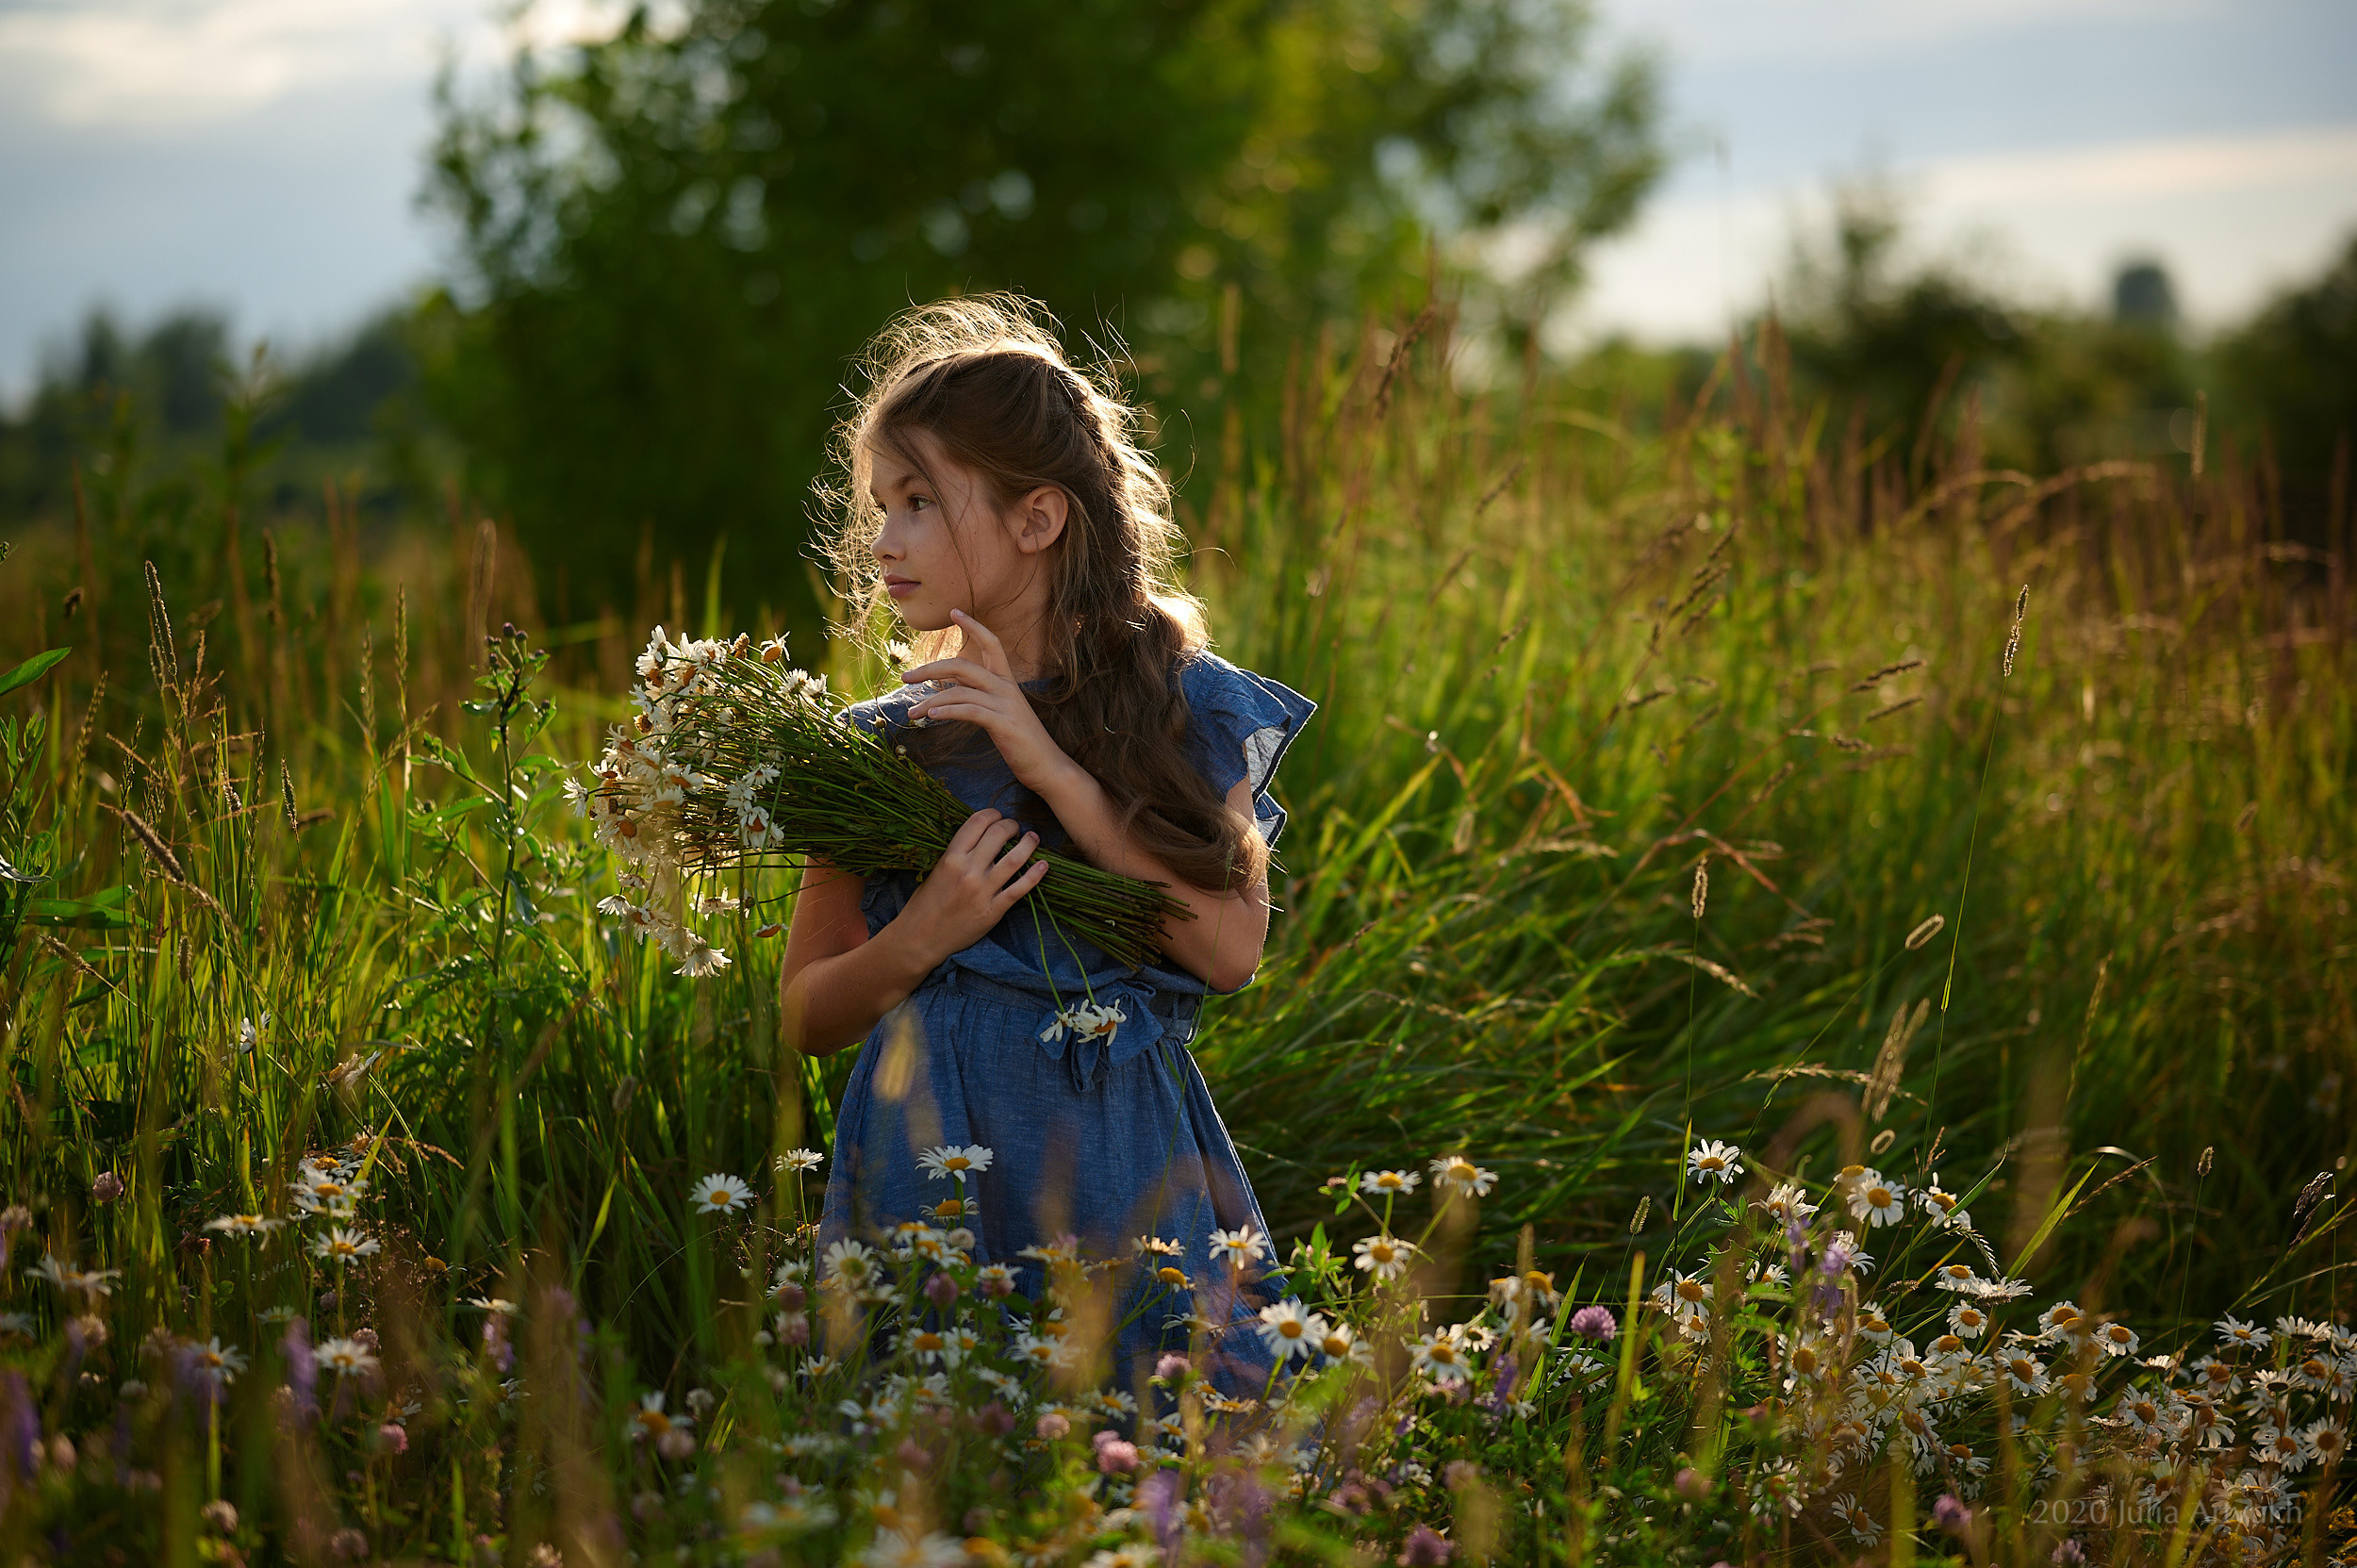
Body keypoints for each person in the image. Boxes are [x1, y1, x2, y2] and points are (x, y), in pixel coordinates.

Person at [780, 294, 1314, 1391]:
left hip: (1121, 1164)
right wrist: (924, 932)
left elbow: (1226, 948)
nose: (884, 538)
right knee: (939, 1456)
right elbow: (807, 1016)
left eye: (920, 502)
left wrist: (1051, 770)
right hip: (923, 1161)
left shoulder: (1185, 709)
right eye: (880, 504)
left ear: (1037, 518)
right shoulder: (874, 751)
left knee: (1156, 1453)